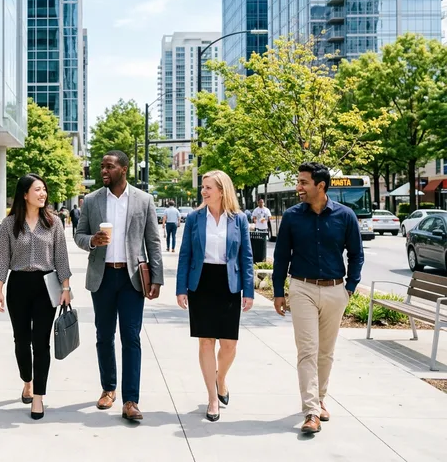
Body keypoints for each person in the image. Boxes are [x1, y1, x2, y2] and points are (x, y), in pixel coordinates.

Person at [272, 162, 363, 435]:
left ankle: (321, 397)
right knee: (308, 351)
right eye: (298, 182)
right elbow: (281, 257)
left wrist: (350, 288)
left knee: (326, 352)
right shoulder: (291, 217)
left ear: (320, 186)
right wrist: (279, 291)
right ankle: (311, 411)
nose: (298, 187)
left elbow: (356, 254)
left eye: (303, 182)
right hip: (302, 289)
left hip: (336, 290)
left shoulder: (346, 216)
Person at [75, 150, 163, 422]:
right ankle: (108, 388)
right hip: (102, 277)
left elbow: (153, 240)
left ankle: (131, 400)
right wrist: (92, 241)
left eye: (109, 166)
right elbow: (78, 235)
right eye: (101, 166)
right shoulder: (91, 200)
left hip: (131, 278)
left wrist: (157, 277)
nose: (103, 170)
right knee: (104, 336)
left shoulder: (143, 200)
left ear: (123, 169)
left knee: (131, 338)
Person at [175, 170, 254, 422]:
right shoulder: (195, 218)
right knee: (206, 341)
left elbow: (246, 257)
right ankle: (212, 398)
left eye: (209, 187)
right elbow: (185, 254)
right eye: (203, 187)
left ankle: (221, 378)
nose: (204, 191)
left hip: (229, 283)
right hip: (201, 282)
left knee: (229, 345)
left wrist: (249, 291)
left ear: (222, 190)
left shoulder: (239, 219)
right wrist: (180, 288)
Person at [0, 174, 72, 420]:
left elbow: (61, 257)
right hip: (18, 285)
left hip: (46, 285)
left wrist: (66, 288)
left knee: (41, 343)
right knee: (21, 340)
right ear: (25, 194)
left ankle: (38, 396)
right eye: (37, 190)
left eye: (44, 190)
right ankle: (26, 380)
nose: (43, 194)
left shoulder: (54, 222)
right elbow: (2, 258)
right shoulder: (9, 224)